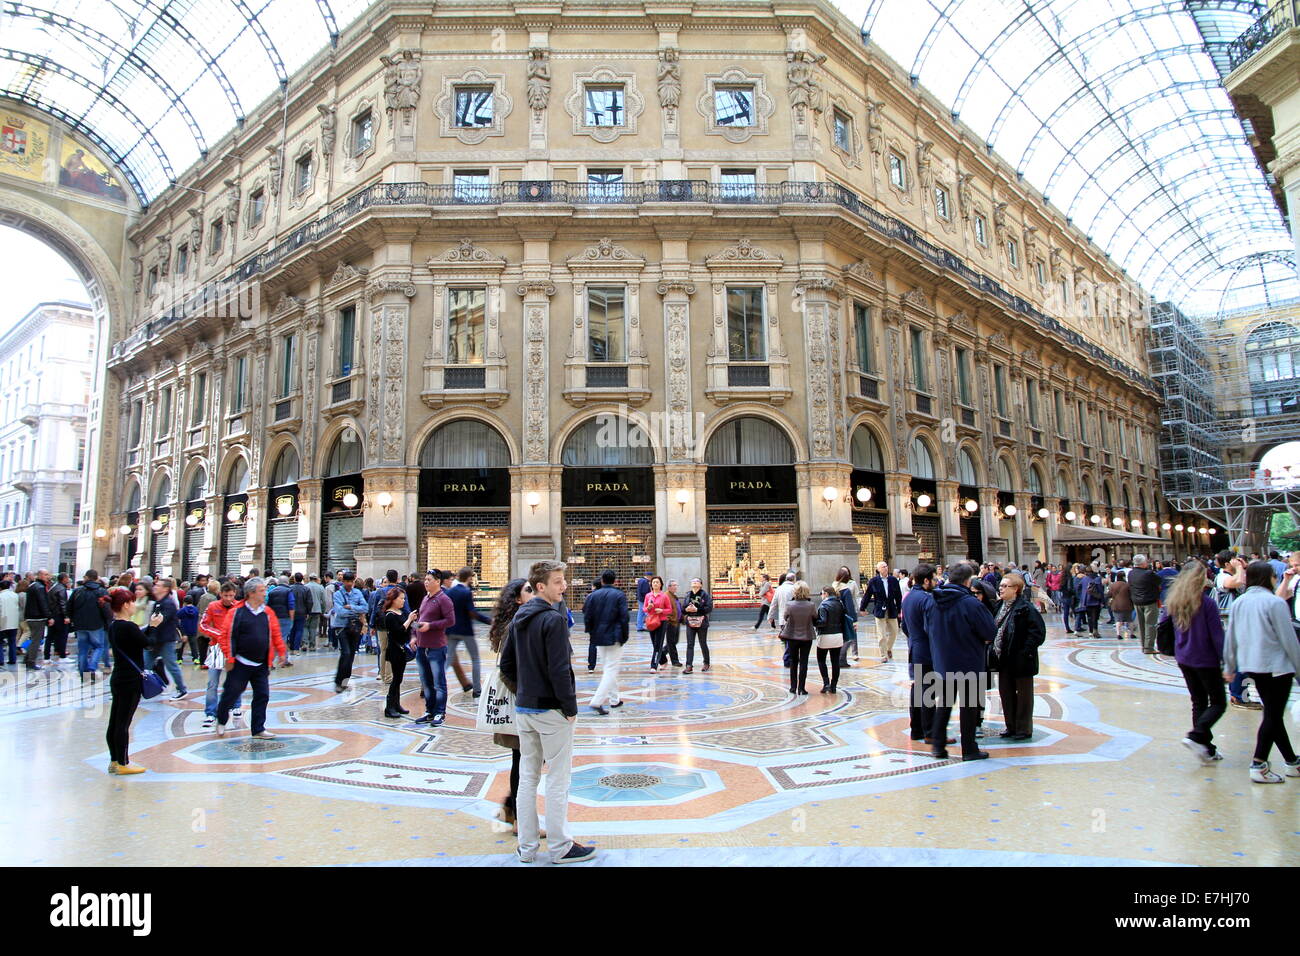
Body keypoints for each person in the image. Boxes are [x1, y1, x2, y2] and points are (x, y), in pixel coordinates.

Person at [498, 560, 595, 864]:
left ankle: (526, 848)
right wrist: (569, 707)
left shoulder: (518, 619)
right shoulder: (552, 620)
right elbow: (560, 669)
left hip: (525, 709)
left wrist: (525, 691)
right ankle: (561, 847)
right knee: (557, 778)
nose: (564, 586)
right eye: (557, 581)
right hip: (551, 710)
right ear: (541, 586)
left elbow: (506, 666)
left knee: (527, 778)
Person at [1223, 561, 1300, 784]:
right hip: (1277, 668)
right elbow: (1288, 640)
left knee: (1273, 715)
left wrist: (1228, 666)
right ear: (1269, 578)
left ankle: (1292, 761)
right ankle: (1258, 764)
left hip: (1253, 667)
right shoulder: (1274, 603)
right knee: (1273, 716)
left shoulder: (1240, 603)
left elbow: (1231, 637)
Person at [925, 562, 995, 761]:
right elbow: (989, 631)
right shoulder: (970, 603)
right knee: (969, 706)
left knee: (944, 704)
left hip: (943, 660)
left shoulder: (932, 600)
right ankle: (970, 749)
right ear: (967, 580)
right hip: (969, 660)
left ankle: (938, 746)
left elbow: (926, 627)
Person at [1162, 561, 1227, 764]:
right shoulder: (1206, 603)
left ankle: (1206, 748)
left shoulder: (1173, 600)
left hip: (1184, 657)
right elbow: (1217, 636)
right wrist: (1226, 659)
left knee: (1198, 701)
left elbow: (1165, 626)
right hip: (1205, 658)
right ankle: (1196, 735)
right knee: (1218, 702)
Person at [214, 577, 287, 738]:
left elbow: (275, 633)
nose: (265, 593)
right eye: (262, 591)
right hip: (240, 662)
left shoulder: (267, 612)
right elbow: (226, 635)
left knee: (262, 695)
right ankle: (221, 720)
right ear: (251, 593)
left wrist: (281, 652)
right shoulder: (236, 613)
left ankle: (258, 728)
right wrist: (229, 656)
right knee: (231, 694)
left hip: (261, 664)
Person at [488, 578, 533, 832]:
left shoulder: (514, 622)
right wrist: (528, 693)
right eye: (528, 589)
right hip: (521, 705)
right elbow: (509, 670)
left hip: (522, 703)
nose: (534, 591)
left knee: (523, 760)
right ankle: (519, 820)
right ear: (517, 599)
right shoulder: (515, 626)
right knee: (526, 761)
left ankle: (511, 809)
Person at [991, 574, 1045, 741]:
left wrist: (1025, 650)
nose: (1001, 588)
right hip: (1003, 658)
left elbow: (1038, 633)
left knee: (1024, 696)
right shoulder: (998, 606)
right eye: (1000, 586)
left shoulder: (1026, 608)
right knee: (1006, 693)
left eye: (1005, 586)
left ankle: (1023, 729)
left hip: (1021, 659)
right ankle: (1011, 726)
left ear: (1015, 589)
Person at [900, 564, 948, 746]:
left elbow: (904, 625)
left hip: (915, 647)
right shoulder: (927, 599)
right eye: (934, 579)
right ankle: (930, 732)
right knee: (928, 691)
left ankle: (917, 729)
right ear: (926, 580)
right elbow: (933, 628)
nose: (937, 582)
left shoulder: (908, 597)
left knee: (918, 689)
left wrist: (914, 638)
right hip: (927, 650)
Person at [105, 587, 151, 775]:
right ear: (125, 605)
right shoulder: (128, 626)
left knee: (115, 721)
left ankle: (114, 760)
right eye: (131, 602)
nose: (134, 605)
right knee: (123, 723)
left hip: (118, 677)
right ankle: (123, 762)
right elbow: (147, 642)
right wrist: (154, 626)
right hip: (130, 680)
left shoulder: (114, 626)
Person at [1213, 552, 1256, 709]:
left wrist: (1243, 567)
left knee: (1244, 660)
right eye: (1234, 561)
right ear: (1227, 564)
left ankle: (1240, 695)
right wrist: (1240, 568)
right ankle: (1239, 696)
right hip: (1230, 624)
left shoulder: (1236, 573)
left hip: (1239, 623)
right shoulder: (1222, 577)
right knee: (1240, 661)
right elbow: (1238, 582)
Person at [411, 570, 454, 726]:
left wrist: (431, 626)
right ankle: (429, 710)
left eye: (429, 579)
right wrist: (414, 635)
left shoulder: (444, 599)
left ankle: (440, 712)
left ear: (438, 581)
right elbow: (421, 619)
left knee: (438, 681)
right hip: (422, 646)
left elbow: (450, 621)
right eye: (425, 579)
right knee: (426, 681)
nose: (426, 582)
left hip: (436, 646)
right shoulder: (425, 599)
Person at [583, 570, 628, 714]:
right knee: (611, 668)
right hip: (614, 636)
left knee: (608, 667)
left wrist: (591, 632)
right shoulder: (619, 595)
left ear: (602, 580)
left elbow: (587, 615)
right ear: (615, 581)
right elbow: (624, 617)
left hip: (599, 636)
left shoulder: (593, 596)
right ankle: (597, 701)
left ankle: (614, 699)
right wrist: (624, 636)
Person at [199, 582, 240, 729]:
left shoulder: (239, 607)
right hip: (216, 647)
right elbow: (203, 624)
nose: (228, 598)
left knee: (235, 679)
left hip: (233, 648)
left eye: (231, 595)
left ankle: (236, 705)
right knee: (212, 682)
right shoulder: (212, 606)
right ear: (220, 594)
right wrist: (218, 634)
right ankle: (210, 712)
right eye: (225, 595)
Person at [446, 567, 491, 697]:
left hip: (451, 629)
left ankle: (437, 683)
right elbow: (472, 612)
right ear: (469, 577)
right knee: (475, 659)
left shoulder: (450, 592)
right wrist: (488, 621)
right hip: (466, 630)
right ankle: (477, 690)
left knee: (448, 659)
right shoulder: (466, 592)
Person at [142, 578, 187, 700]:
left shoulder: (168, 603)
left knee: (171, 665)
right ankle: (146, 687)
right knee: (146, 665)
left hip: (165, 640)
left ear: (165, 589)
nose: (155, 587)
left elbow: (160, 621)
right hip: (156, 639)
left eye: (158, 585)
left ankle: (182, 689)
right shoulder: (159, 602)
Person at [330, 570, 369, 693]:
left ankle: (344, 681)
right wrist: (356, 611)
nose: (349, 584)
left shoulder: (357, 593)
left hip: (355, 627)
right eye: (347, 581)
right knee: (345, 653)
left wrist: (351, 607)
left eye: (351, 582)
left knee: (351, 654)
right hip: (342, 627)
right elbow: (340, 611)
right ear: (343, 582)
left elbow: (365, 607)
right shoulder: (338, 594)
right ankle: (338, 681)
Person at [68, 570, 111, 681]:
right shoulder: (102, 592)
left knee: (82, 649)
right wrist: (108, 622)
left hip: (80, 625)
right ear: (97, 578)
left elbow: (69, 607)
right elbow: (107, 609)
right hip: (96, 624)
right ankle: (92, 667)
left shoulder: (77, 591)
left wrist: (73, 620)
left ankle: (83, 674)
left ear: (86, 577)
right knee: (99, 646)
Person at [780, 582, 817, 695]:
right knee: (804, 662)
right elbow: (815, 617)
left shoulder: (789, 605)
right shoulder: (811, 605)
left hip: (792, 636)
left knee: (793, 661)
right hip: (806, 636)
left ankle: (793, 687)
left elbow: (785, 617)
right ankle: (802, 688)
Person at [380, 586, 411, 719]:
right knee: (395, 679)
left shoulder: (401, 612)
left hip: (403, 649)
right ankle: (389, 706)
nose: (403, 601)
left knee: (399, 678)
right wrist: (409, 620)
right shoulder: (390, 615)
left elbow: (407, 629)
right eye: (401, 598)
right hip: (395, 650)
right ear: (394, 599)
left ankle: (396, 704)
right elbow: (398, 631)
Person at [863, 561, 902, 662]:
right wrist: (862, 608)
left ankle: (888, 648)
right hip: (880, 609)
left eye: (886, 566)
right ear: (878, 569)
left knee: (894, 631)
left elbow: (898, 596)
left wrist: (899, 609)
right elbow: (867, 595)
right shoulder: (874, 581)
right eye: (883, 567)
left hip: (892, 609)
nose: (885, 568)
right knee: (882, 634)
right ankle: (883, 654)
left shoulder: (893, 580)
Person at [21, 568, 53, 673]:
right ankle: (31, 661)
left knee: (35, 638)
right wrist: (48, 616)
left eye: (47, 574)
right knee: (36, 640)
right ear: (39, 575)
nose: (47, 576)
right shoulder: (39, 587)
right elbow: (42, 603)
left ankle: (27, 659)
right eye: (45, 574)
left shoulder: (33, 586)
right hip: (37, 617)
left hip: (32, 616)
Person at [1128, 555, 1161, 653]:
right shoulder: (1148, 573)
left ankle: (1143, 646)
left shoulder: (1131, 573)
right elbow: (1159, 580)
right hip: (1149, 601)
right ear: (1143, 563)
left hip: (1137, 601)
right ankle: (1149, 647)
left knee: (1141, 625)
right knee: (1150, 624)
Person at [814, 585, 845, 693]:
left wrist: (814, 622)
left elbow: (823, 622)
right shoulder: (839, 604)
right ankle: (834, 685)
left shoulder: (823, 605)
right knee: (835, 661)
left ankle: (826, 682)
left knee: (821, 659)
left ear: (826, 594)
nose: (821, 595)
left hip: (825, 636)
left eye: (821, 593)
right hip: (838, 635)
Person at [682, 578, 712, 674]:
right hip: (690, 622)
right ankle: (689, 666)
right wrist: (687, 609)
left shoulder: (705, 595)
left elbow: (709, 608)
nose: (694, 582)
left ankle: (706, 663)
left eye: (697, 581)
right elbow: (683, 609)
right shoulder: (688, 595)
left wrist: (697, 610)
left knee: (703, 643)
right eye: (693, 581)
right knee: (690, 644)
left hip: (701, 622)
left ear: (701, 585)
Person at [642, 575, 673, 672]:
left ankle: (653, 665)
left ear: (661, 585)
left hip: (661, 621)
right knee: (654, 643)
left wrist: (662, 610)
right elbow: (644, 609)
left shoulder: (664, 596)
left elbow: (670, 610)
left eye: (657, 582)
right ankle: (663, 660)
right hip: (651, 621)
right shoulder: (648, 596)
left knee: (658, 644)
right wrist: (649, 608)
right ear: (651, 584)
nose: (655, 584)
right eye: (653, 582)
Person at [835, 566, 859, 667]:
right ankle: (841, 658)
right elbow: (849, 606)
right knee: (849, 638)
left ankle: (841, 658)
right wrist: (854, 621)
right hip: (845, 617)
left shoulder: (833, 587)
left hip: (835, 617)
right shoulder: (846, 590)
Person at [44, 572, 70, 664]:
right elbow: (63, 603)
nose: (68, 580)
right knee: (62, 635)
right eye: (67, 578)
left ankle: (46, 657)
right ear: (64, 579)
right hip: (59, 615)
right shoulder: (61, 589)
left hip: (53, 615)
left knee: (50, 637)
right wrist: (66, 616)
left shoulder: (54, 588)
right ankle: (62, 655)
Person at [660, 580, 684, 668]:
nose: (675, 587)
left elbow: (677, 608)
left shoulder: (674, 596)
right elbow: (663, 608)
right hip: (670, 622)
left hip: (676, 622)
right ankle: (675, 661)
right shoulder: (666, 595)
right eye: (674, 585)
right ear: (669, 587)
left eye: (676, 585)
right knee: (671, 642)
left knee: (674, 641)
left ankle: (661, 653)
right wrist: (668, 618)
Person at [1076, 564, 1103, 639]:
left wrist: (1081, 596)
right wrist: (1102, 600)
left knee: (1089, 617)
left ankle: (1091, 632)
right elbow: (1100, 590)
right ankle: (1095, 630)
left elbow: (1078, 587)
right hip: (1095, 600)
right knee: (1095, 617)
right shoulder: (1097, 578)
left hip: (1086, 600)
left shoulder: (1084, 579)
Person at [303, 573, 327, 651]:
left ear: (309, 578)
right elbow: (324, 601)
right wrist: (323, 611)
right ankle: (312, 645)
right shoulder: (320, 587)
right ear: (316, 579)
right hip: (317, 610)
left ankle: (305, 643)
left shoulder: (305, 587)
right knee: (313, 628)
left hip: (306, 611)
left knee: (305, 627)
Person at [1107, 571, 1133, 640]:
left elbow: (1109, 595)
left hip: (1116, 605)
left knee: (1118, 620)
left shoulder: (1113, 585)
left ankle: (1118, 634)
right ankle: (1132, 634)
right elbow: (1131, 594)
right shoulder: (1127, 585)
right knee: (1129, 620)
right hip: (1127, 605)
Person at [0, 579, 20, 666]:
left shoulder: (0, 596)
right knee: (12, 641)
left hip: (3, 619)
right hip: (13, 621)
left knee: (0, 641)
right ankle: (12, 659)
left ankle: (1, 660)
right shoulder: (15, 595)